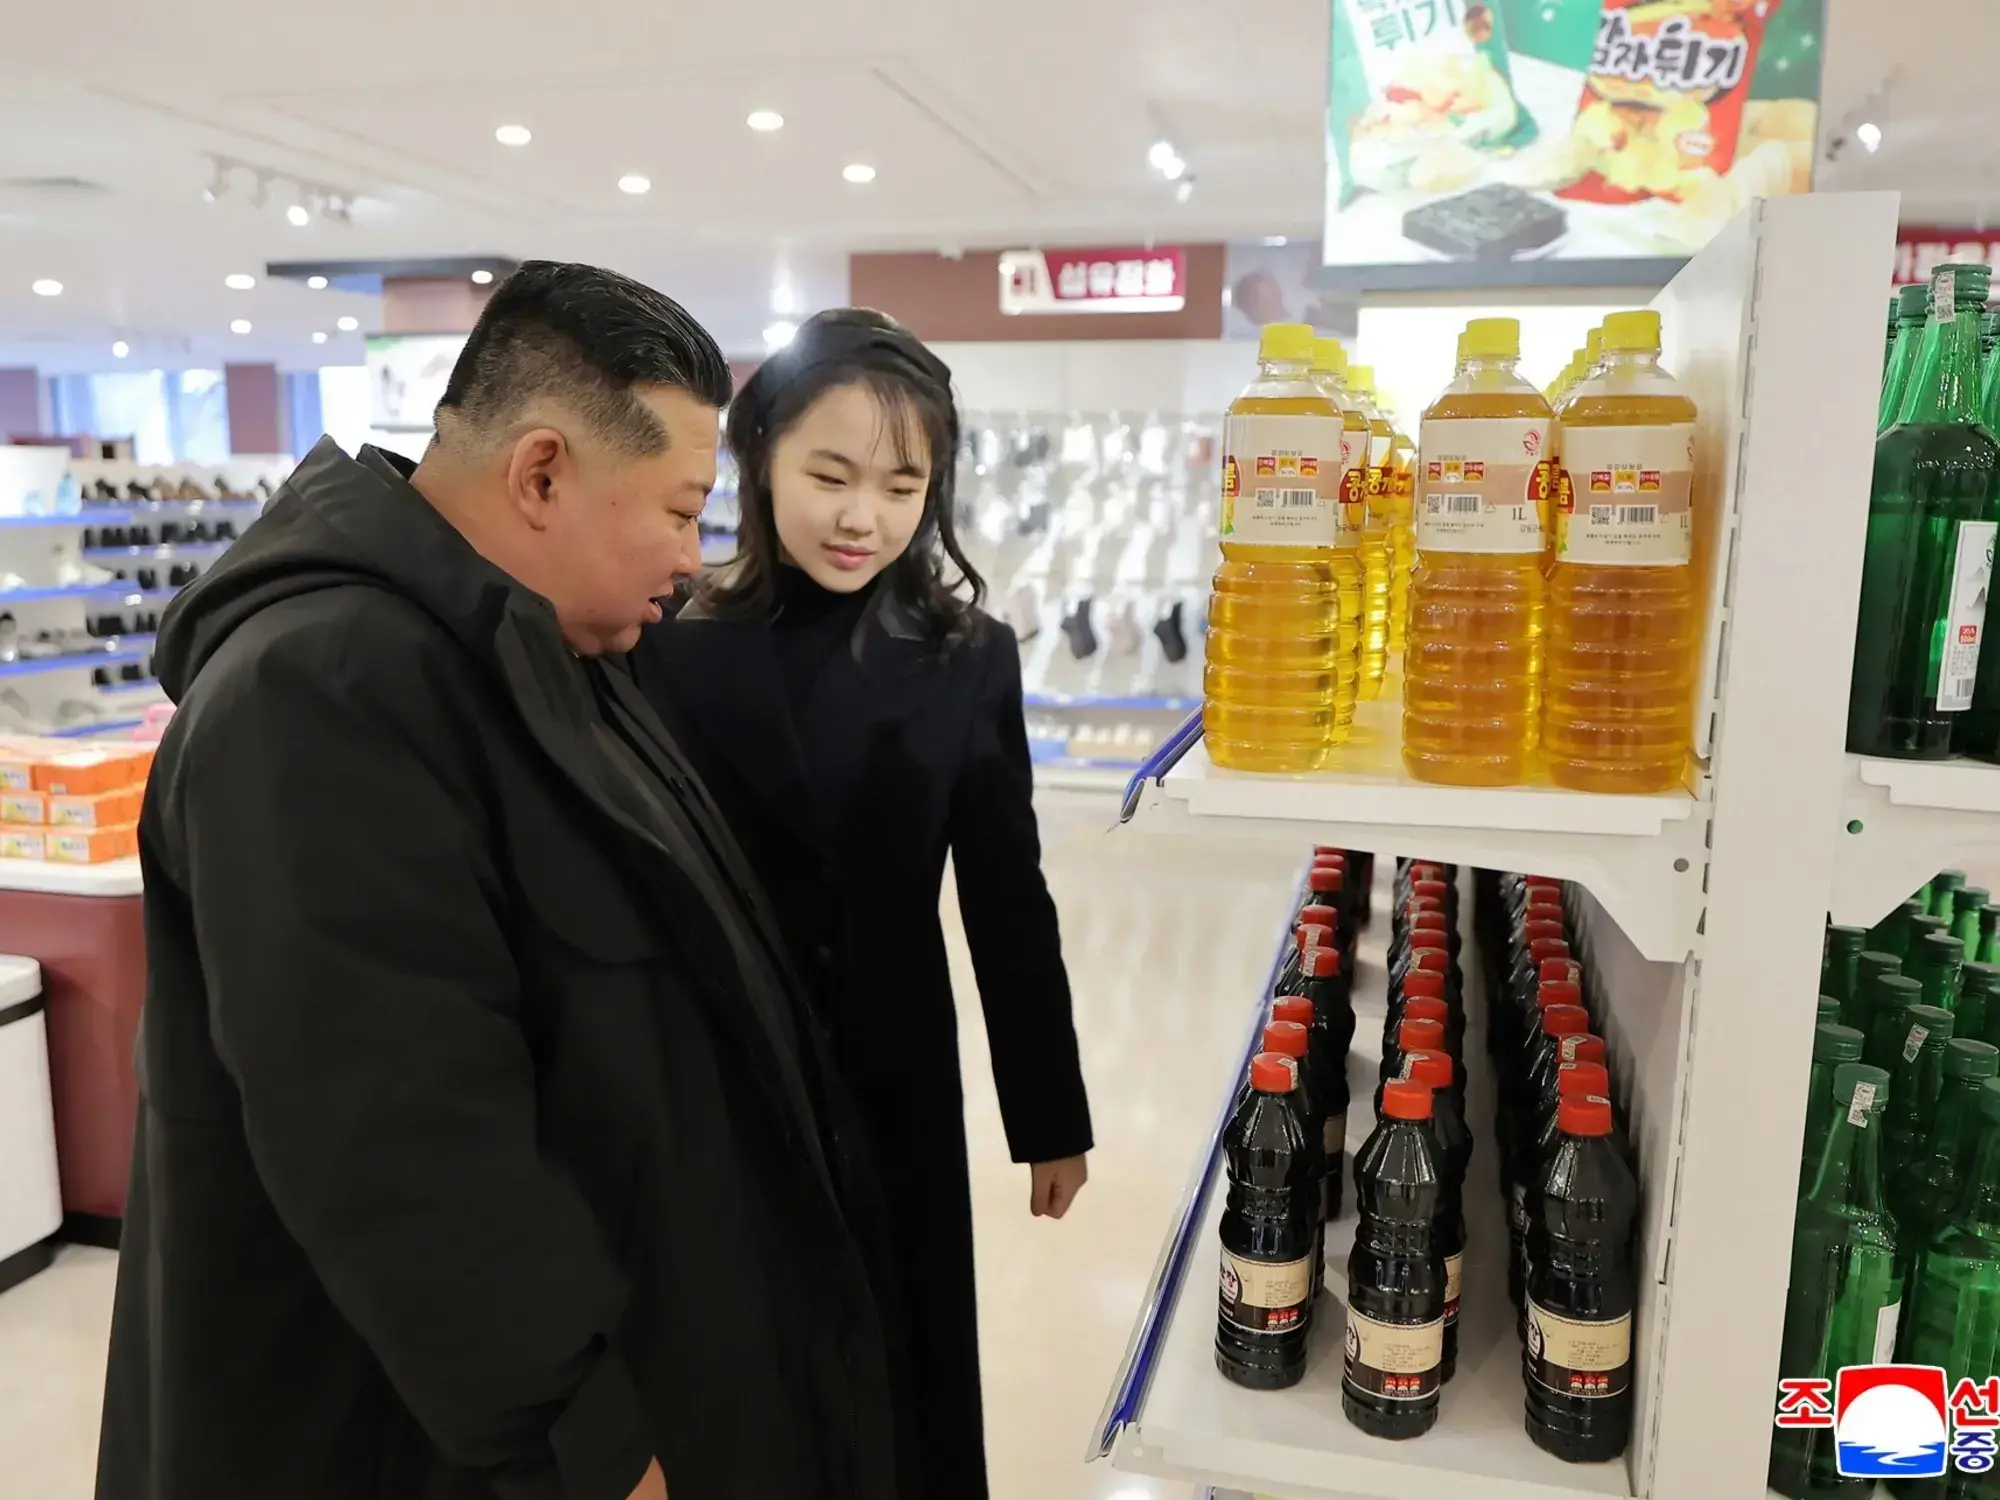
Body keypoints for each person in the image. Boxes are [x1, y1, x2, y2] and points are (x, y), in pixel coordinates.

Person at [97, 264, 907, 1500]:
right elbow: (397, 1143)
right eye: (683, 511)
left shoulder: (547, 645)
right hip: (437, 1446)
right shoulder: (324, 691)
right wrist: (588, 1442)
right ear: (540, 474)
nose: (694, 559)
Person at [629, 308, 1093, 1500]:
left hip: (893, 1067)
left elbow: (1004, 893)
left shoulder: (965, 654)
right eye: (829, 475)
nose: (860, 517)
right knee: (743, 1356)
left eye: (901, 485)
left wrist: (1046, 1112)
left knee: (903, 1352)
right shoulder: (666, 643)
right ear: (762, 457)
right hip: (717, 1068)